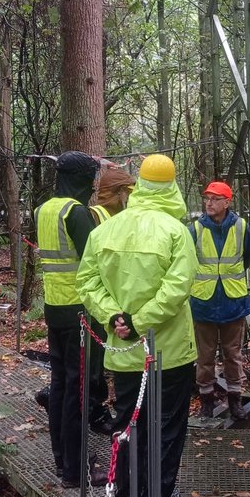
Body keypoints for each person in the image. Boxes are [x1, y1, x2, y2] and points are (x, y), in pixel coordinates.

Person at [77, 153, 203, 497]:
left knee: (128, 428)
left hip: (124, 353)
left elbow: (87, 282)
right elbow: (178, 288)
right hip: (169, 354)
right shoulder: (176, 232)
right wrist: (139, 321)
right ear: (172, 186)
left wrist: (115, 317)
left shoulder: (106, 231)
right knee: (165, 434)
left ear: (139, 186)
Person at [34, 161, 136, 432]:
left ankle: (70, 430)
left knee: (69, 375)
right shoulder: (84, 214)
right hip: (82, 303)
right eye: (128, 192)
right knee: (82, 373)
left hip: (56, 302)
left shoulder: (45, 209)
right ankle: (82, 429)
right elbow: (97, 261)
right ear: (119, 193)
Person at [34, 150, 106, 488]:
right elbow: (95, 259)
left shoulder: (44, 209)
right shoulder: (75, 213)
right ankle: (76, 470)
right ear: (79, 180)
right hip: (80, 310)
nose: (92, 187)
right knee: (77, 390)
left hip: (54, 308)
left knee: (61, 386)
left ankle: (63, 460)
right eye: (90, 179)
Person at [189, 180, 250, 421]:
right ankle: (207, 400)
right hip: (203, 302)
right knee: (204, 356)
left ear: (227, 203)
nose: (209, 203)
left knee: (232, 355)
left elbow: (247, 257)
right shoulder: (195, 229)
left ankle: (235, 400)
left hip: (232, 302)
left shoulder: (241, 227)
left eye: (215, 199)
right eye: (207, 198)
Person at [85, 162, 136, 434]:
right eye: (128, 192)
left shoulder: (118, 218)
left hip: (109, 303)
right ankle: (95, 413)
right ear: (119, 193)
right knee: (93, 364)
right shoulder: (96, 217)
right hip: (96, 303)